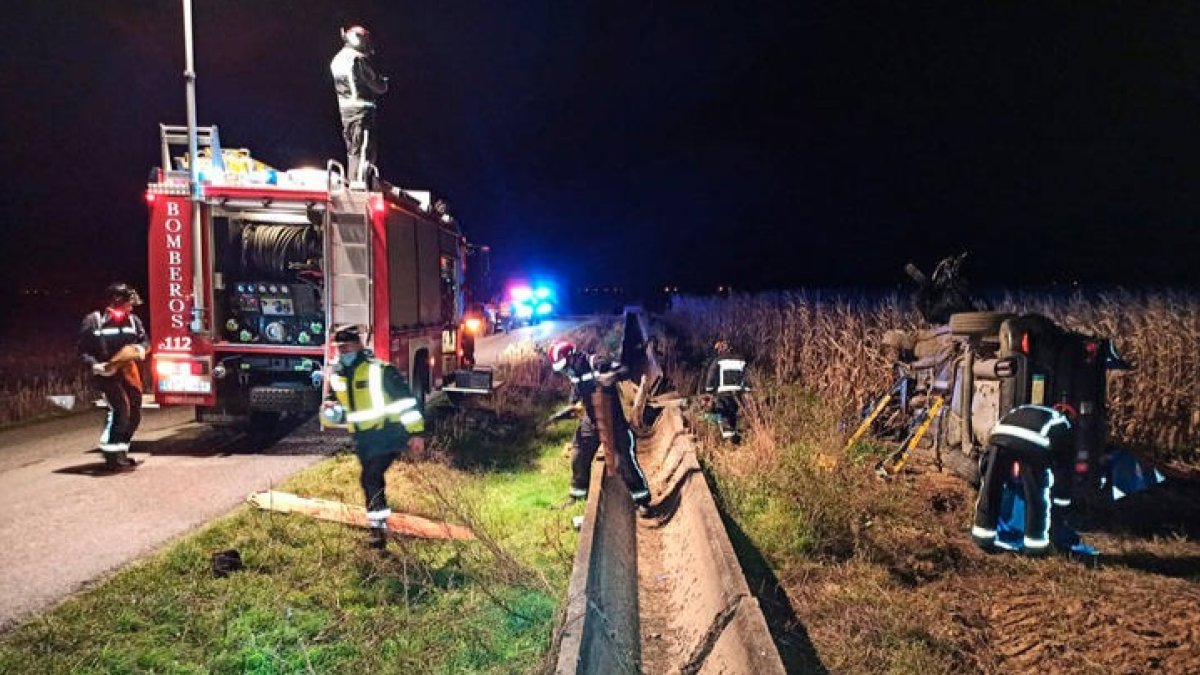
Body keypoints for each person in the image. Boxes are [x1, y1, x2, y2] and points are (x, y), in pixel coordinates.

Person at [321, 326, 425, 548]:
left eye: (347, 347)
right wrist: (332, 406)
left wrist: (415, 433)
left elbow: (406, 402)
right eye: (339, 349)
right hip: (363, 438)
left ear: (359, 345)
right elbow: (337, 403)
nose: (343, 352)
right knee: (371, 479)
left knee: (370, 477)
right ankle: (379, 525)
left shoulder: (380, 371)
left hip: (388, 434)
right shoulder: (338, 374)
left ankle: (378, 531)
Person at [548, 341, 652, 515]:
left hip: (614, 420)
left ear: (572, 356)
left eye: (565, 366)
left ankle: (642, 499)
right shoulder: (573, 374)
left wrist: (611, 376)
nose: (565, 371)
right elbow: (576, 399)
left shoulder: (596, 362)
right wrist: (563, 413)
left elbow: (625, 370)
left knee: (625, 460)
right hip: (591, 419)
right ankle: (578, 494)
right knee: (579, 454)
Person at [970, 404, 1087, 556]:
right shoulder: (1063, 424)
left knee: (991, 488)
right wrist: (1061, 503)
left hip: (999, 436)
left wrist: (988, 470)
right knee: (1036, 495)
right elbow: (1064, 470)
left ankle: (982, 536)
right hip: (1033, 444)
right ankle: (1035, 547)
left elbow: (986, 463)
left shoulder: (1026, 408)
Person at [78, 283, 150, 472]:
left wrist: (139, 349)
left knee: (134, 411)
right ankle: (112, 456)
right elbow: (83, 350)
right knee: (121, 409)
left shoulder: (134, 321)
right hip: (105, 371)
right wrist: (96, 365)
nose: (131, 307)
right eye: (128, 303)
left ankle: (121, 452)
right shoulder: (94, 321)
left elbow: (145, 341)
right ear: (116, 301)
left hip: (127, 370)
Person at [330, 25, 389, 186]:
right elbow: (377, 85)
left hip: (347, 114)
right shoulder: (357, 59)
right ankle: (359, 187)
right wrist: (384, 81)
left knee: (353, 153)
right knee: (364, 152)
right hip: (361, 115)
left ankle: (353, 183)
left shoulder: (338, 59)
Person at [700, 339, 749, 441]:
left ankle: (728, 439)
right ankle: (735, 435)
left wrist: (709, 389)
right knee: (732, 412)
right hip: (737, 392)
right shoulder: (741, 359)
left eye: (718, 349)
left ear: (721, 349)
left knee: (723, 413)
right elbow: (746, 377)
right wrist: (746, 390)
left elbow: (711, 375)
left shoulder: (718, 360)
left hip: (723, 393)